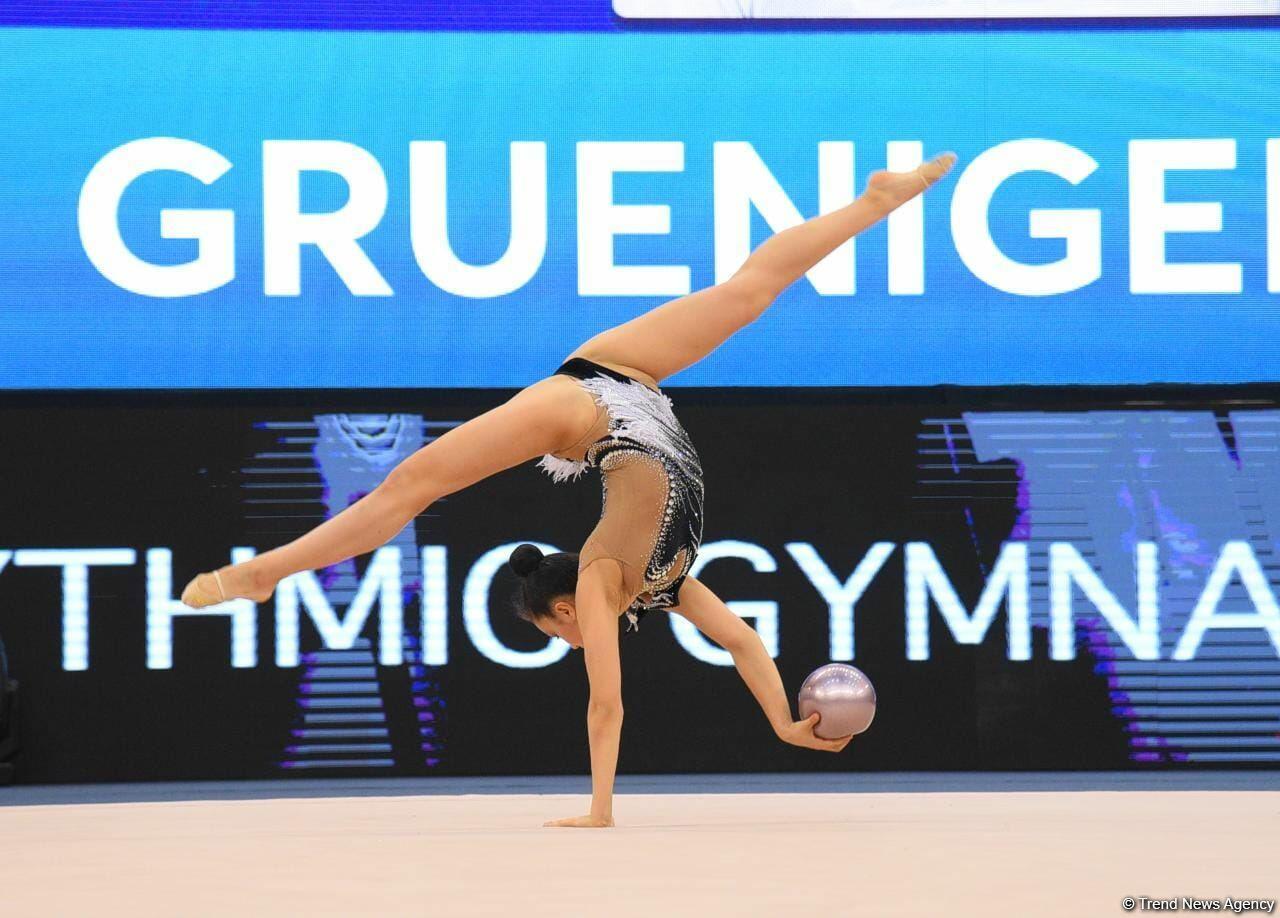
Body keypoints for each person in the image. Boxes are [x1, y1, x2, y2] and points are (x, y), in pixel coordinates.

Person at [181, 152, 958, 827]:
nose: (577, 641)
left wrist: (604, 804)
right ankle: (264, 574)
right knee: (745, 295)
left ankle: (875, 203)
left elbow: (610, 701)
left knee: (745, 294)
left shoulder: (599, 580)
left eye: (563, 637)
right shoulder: (658, 586)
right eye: (567, 642)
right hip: (626, 383)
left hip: (588, 403)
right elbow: (737, 643)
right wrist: (781, 724)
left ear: (561, 609)